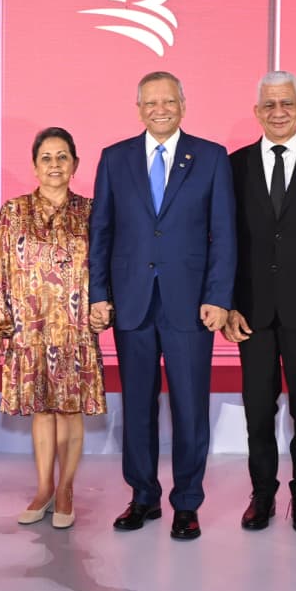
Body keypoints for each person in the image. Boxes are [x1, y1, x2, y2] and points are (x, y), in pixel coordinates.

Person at [89, 71, 236, 540]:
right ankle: (143, 496)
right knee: (137, 405)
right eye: (151, 102)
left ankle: (187, 502)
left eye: (169, 101)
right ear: (138, 108)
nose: (160, 109)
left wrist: (218, 297)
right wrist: (98, 294)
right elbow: (101, 232)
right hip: (131, 301)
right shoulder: (114, 158)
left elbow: (224, 234)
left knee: (190, 406)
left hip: (190, 305)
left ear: (183, 105)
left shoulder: (211, 157)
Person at [223, 71, 296, 534]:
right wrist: (229, 303)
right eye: (270, 105)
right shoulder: (235, 165)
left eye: (287, 104)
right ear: (257, 112)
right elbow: (226, 242)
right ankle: (262, 494)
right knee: (258, 407)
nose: (278, 112)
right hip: (251, 312)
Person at [0, 127, 106, 530]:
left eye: (62, 156)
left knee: (70, 412)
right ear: (34, 166)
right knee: (42, 412)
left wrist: (107, 307)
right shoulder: (13, 212)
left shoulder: (92, 212)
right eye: (46, 158)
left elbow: (108, 266)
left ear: (75, 164)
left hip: (75, 329)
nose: (54, 164)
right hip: (28, 330)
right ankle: (44, 487)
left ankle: (66, 490)